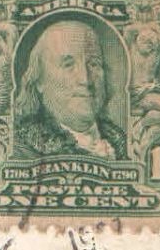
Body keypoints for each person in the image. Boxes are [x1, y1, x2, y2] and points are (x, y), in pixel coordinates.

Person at [11, 18, 128, 161]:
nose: (85, 79)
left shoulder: (124, 144)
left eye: (93, 63)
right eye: (68, 65)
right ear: (39, 80)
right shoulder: (20, 150)